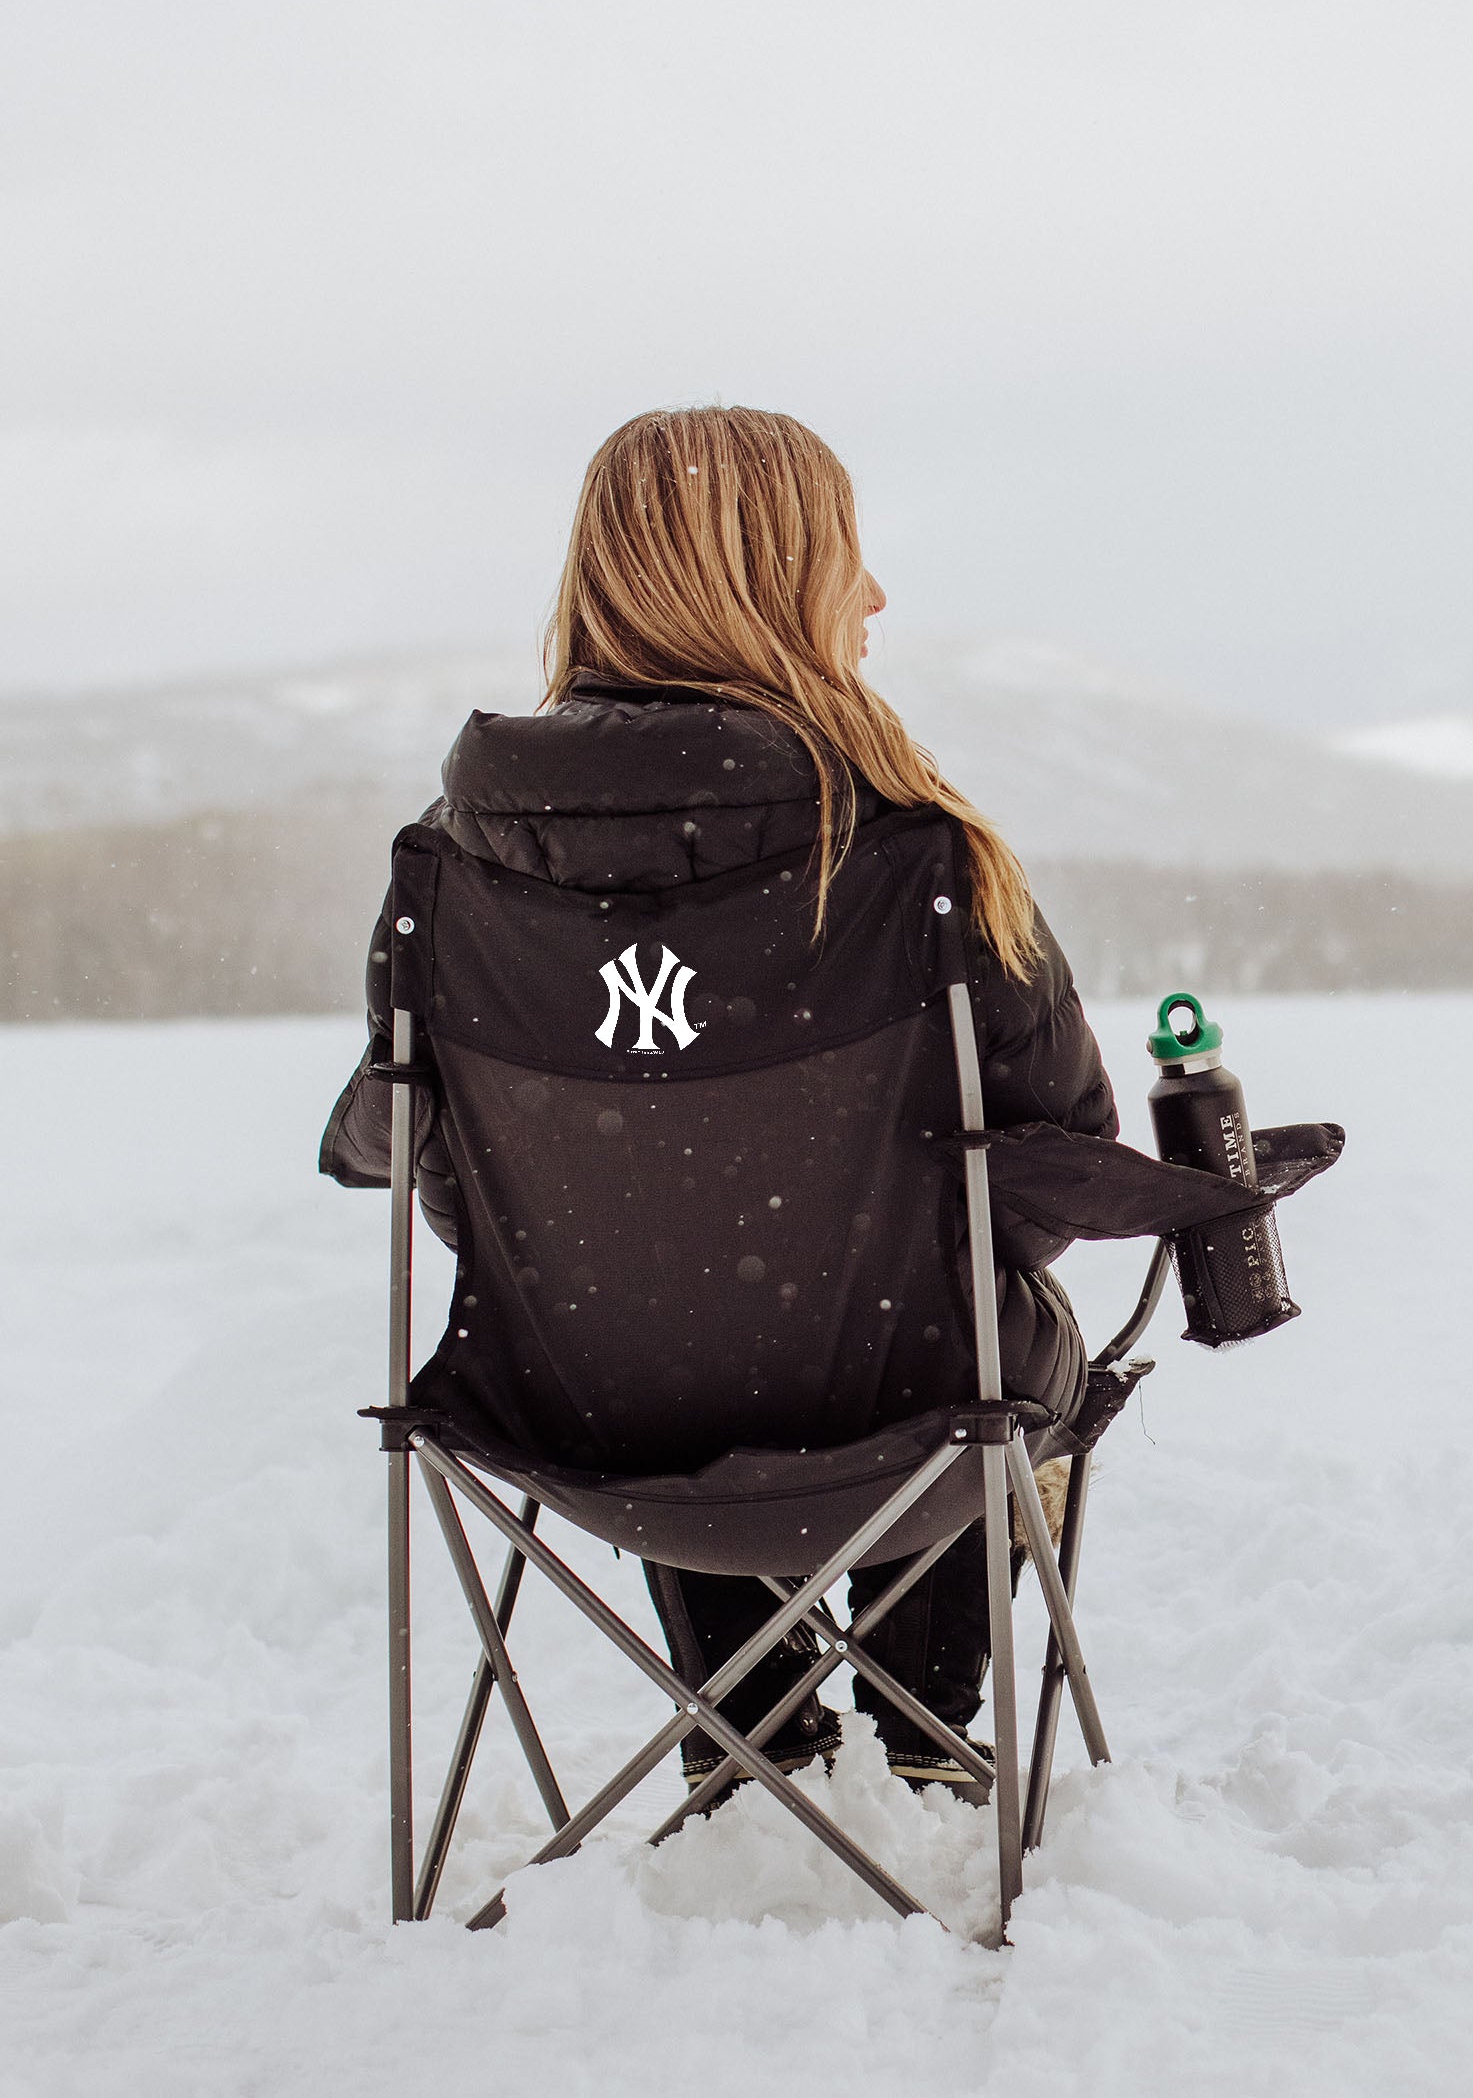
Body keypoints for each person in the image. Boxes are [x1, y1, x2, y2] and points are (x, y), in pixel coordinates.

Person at [321, 405, 1118, 1800]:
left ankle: (749, 1737)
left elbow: (451, 1193)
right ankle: (923, 1737)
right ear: (770, 581)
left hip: (590, 1434)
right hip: (917, 1427)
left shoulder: (451, 872)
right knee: (955, 1316)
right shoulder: (914, 855)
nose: (874, 598)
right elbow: (1052, 1169)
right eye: (847, 558)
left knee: (657, 1303)